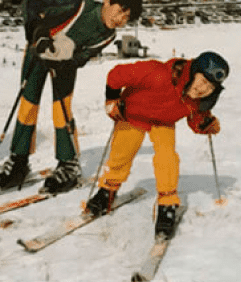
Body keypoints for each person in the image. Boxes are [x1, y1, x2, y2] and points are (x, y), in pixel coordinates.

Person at [0, 0, 144, 194]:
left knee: (62, 109)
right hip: (38, 51)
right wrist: (39, 35)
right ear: (107, 0)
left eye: (127, 17)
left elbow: (82, 57)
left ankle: (68, 165)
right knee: (28, 104)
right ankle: (18, 161)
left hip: (63, 60)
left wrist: (66, 63)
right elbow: (32, 5)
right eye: (120, 10)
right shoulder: (76, 5)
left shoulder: (107, 35)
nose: (120, 19)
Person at [85, 51, 228, 239]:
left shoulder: (194, 99)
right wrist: (111, 99)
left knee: (167, 158)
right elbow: (116, 75)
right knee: (122, 153)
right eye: (202, 80)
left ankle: (167, 202)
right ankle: (107, 190)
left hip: (163, 122)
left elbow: (196, 119)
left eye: (210, 87)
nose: (203, 89)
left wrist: (205, 125)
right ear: (192, 73)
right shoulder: (157, 73)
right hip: (133, 115)